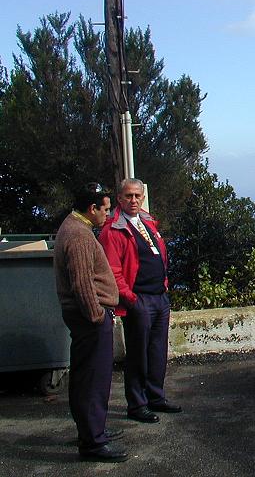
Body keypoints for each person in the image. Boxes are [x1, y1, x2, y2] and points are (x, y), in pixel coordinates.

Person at [54, 182, 128, 462]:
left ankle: (91, 430)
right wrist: (98, 317)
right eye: (105, 210)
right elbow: (82, 283)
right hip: (90, 318)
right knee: (94, 381)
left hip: (82, 317)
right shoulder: (81, 236)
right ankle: (93, 442)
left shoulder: (72, 226)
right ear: (92, 208)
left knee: (85, 377)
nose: (108, 216)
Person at [99, 178, 182, 424]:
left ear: (142, 197)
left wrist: (164, 286)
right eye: (128, 196)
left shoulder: (148, 221)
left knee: (157, 351)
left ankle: (156, 397)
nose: (133, 200)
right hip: (139, 300)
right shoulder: (112, 230)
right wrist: (131, 299)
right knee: (138, 355)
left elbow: (160, 255)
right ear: (119, 199)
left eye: (137, 196)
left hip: (159, 297)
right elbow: (112, 271)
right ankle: (137, 404)